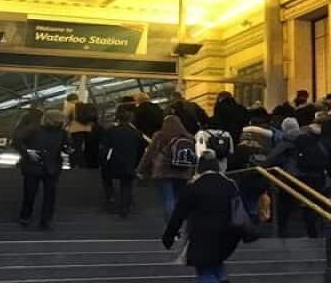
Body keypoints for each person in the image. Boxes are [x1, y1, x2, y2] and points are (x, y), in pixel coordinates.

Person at [162, 154, 244, 283]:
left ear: (199, 168)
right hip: (228, 234)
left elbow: (179, 214)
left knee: (204, 269)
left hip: (202, 235)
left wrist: (169, 236)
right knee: (216, 263)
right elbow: (239, 210)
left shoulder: (194, 186)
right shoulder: (230, 185)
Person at [15, 109, 70, 230]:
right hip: (40, 166)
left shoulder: (61, 133)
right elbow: (18, 141)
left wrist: (69, 150)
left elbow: (66, 146)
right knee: (35, 193)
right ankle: (31, 217)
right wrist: (27, 152)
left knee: (44, 194)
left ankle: (37, 218)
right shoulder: (35, 130)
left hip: (47, 166)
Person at [140, 114, 198, 219]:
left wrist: (140, 169)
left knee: (168, 199)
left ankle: (172, 225)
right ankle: (179, 223)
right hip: (183, 171)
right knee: (178, 198)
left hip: (163, 172)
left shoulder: (159, 136)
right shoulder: (189, 137)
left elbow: (149, 153)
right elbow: (193, 156)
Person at [100, 105, 146, 218]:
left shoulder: (111, 131)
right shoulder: (136, 133)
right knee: (126, 185)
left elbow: (104, 147)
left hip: (113, 162)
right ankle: (124, 209)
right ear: (131, 119)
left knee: (107, 179)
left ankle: (110, 200)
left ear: (118, 119)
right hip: (129, 163)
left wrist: (103, 161)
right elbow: (141, 149)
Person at [65, 95, 96, 168]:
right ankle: (87, 163)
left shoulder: (71, 106)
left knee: (77, 147)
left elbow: (66, 118)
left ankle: (77, 164)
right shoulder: (85, 105)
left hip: (76, 130)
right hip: (87, 129)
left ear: (69, 100)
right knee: (87, 147)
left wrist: (64, 127)